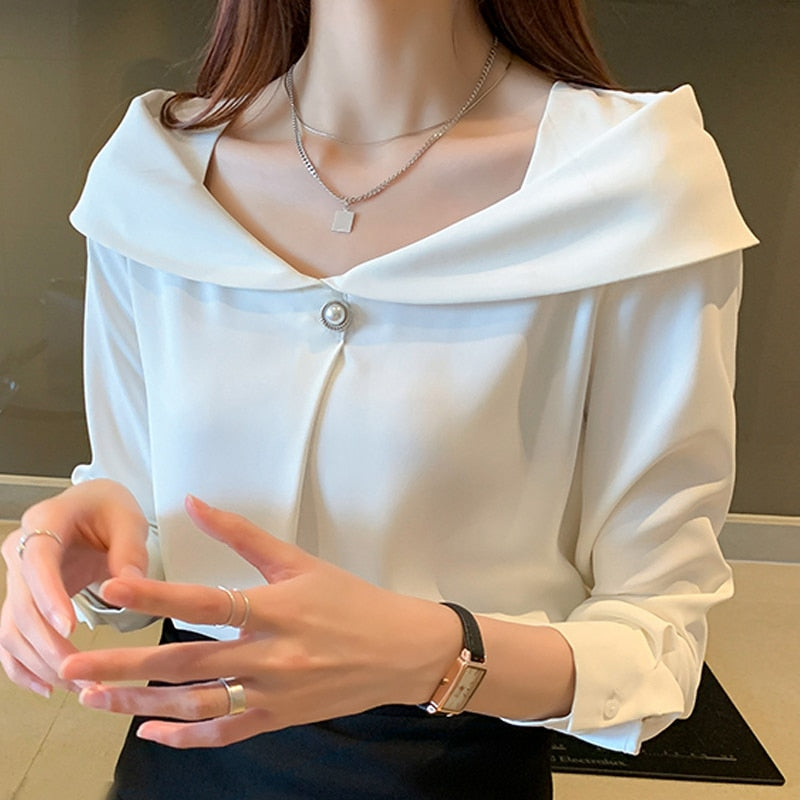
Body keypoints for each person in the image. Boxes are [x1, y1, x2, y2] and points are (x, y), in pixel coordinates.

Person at [1, 1, 758, 798]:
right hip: (177, 766)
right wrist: (92, 554)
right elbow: (142, 515)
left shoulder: (629, 180)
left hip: (448, 773)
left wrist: (436, 653)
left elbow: (658, 640)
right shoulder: (152, 174)